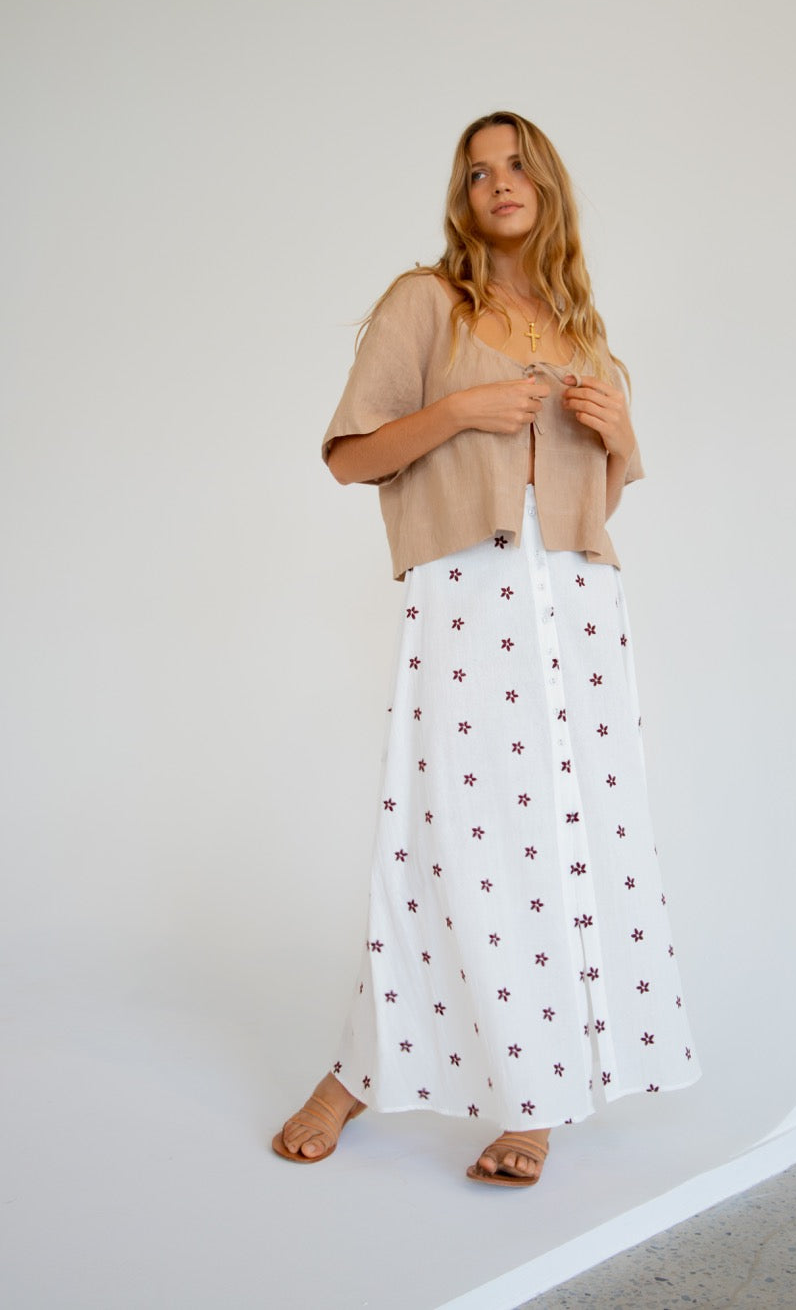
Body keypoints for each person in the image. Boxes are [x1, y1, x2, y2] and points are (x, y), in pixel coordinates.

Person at [272, 111, 699, 1187]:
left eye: (515, 165)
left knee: (569, 835)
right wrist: (463, 408)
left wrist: (622, 438)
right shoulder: (427, 302)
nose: (497, 182)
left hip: (580, 608)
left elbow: (595, 505)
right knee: (446, 838)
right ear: (461, 199)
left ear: (546, 185)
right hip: (469, 593)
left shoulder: (584, 334)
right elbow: (350, 456)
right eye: (476, 172)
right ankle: (356, 1073)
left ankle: (538, 1096)